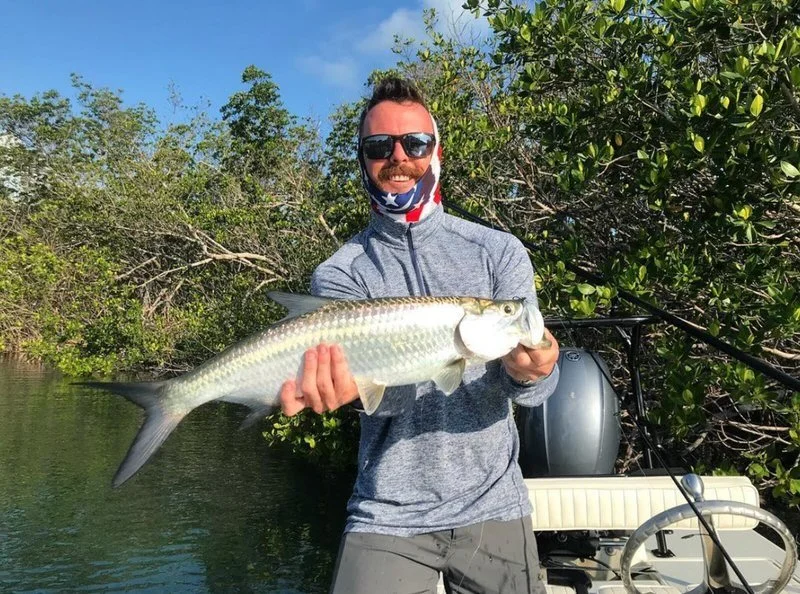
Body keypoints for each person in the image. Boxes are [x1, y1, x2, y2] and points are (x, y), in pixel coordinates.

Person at [279, 77, 560, 594]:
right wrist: (348, 390)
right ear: (363, 160)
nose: (398, 156)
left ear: (437, 152)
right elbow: (380, 402)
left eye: (415, 143)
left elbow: (536, 386)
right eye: (379, 146)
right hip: (386, 511)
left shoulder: (497, 252)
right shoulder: (342, 273)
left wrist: (535, 372)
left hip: (493, 502)